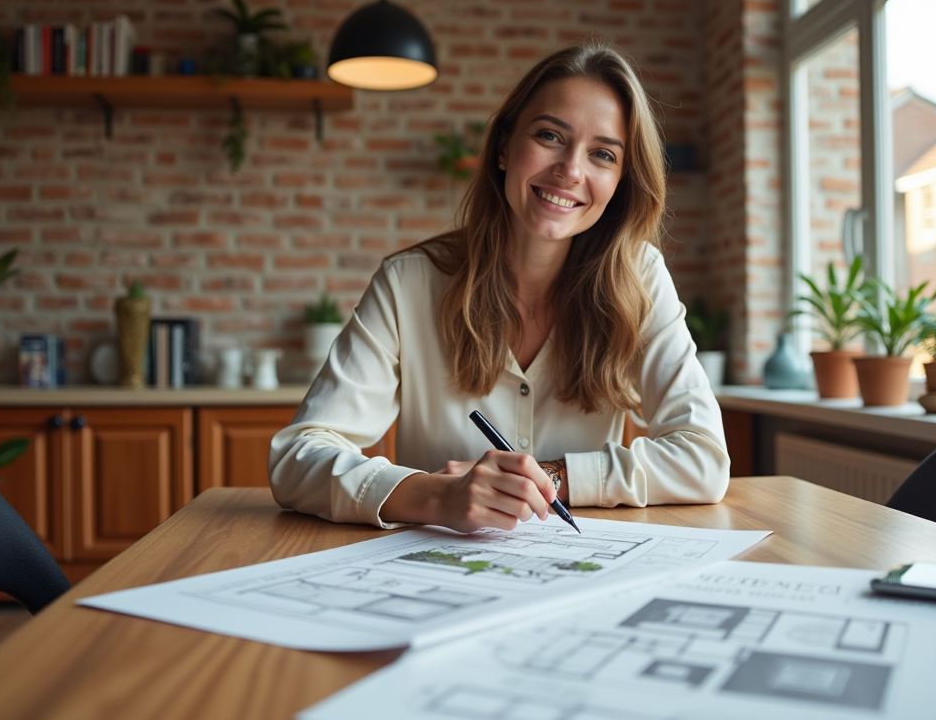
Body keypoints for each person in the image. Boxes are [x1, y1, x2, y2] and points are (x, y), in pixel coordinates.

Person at [268, 42, 730, 533]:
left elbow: (702, 457)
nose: (571, 170)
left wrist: (552, 477)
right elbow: (297, 458)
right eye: (551, 135)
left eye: (602, 154)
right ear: (505, 147)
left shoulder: (640, 279)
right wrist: (433, 496)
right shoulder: (408, 283)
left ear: (620, 180)